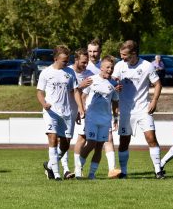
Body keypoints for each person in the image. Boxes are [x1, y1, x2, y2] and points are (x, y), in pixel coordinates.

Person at [112, 40, 164, 179]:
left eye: (125, 55)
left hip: (143, 109)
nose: (122, 58)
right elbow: (111, 82)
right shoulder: (119, 66)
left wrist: (154, 101)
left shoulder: (147, 66)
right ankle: (123, 172)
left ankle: (158, 171)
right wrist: (114, 87)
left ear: (134, 53)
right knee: (124, 141)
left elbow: (158, 84)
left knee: (151, 138)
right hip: (125, 111)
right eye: (121, 55)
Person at [37, 45, 84, 181]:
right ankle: (57, 174)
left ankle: (50, 165)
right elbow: (39, 92)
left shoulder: (70, 72)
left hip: (66, 112)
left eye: (67, 60)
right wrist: (44, 104)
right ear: (55, 58)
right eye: (63, 60)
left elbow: (75, 91)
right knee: (52, 137)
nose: (66, 63)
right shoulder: (46, 73)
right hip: (51, 112)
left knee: (65, 144)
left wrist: (80, 108)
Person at [77, 56, 119, 179]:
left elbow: (115, 102)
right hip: (91, 118)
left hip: (105, 119)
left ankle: (92, 174)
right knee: (91, 143)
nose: (110, 69)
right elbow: (83, 97)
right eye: (107, 67)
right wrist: (82, 109)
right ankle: (78, 168)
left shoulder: (114, 84)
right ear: (101, 67)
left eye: (112, 67)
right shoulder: (92, 80)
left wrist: (115, 118)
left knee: (99, 146)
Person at [86, 38, 121, 178]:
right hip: (88, 111)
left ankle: (112, 169)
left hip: (103, 112)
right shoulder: (84, 66)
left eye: (95, 51)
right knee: (85, 142)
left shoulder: (107, 65)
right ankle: (75, 168)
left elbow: (113, 82)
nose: (92, 54)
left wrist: (116, 86)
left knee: (107, 139)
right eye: (90, 51)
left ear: (100, 52)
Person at [59, 48, 94, 179]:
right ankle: (65, 170)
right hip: (63, 110)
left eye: (87, 62)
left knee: (81, 139)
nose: (85, 65)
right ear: (76, 60)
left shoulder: (89, 73)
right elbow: (67, 91)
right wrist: (80, 85)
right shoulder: (67, 71)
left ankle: (76, 169)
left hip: (78, 111)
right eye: (83, 62)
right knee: (64, 140)